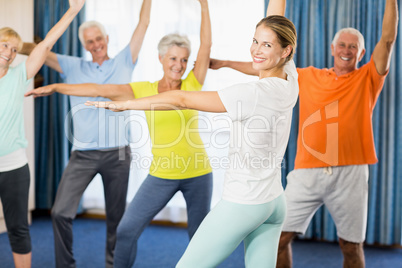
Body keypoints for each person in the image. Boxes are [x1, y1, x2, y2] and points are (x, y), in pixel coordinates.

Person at [82, 0, 297, 266]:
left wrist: (126, 105)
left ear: (286, 50)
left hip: (245, 202)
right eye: (255, 41)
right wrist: (228, 63)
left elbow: (182, 99)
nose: (256, 49)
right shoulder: (290, 76)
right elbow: (277, 13)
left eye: (266, 45)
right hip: (274, 201)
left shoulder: (252, 93)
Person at [207, 0, 399, 267]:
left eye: (352, 46)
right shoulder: (307, 76)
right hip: (307, 171)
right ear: (332, 48)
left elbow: (388, 40)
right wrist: (223, 63)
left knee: (351, 247)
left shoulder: (368, 78)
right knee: (278, 238)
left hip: (351, 173)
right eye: (342, 45)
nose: (346, 50)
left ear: (362, 52)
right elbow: (265, 66)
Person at [25, 0, 213, 267]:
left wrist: (204, 5)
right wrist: (57, 87)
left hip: (199, 173)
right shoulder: (143, 88)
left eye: (184, 59)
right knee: (125, 231)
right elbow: (95, 89)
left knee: (199, 237)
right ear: (160, 58)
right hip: (162, 174)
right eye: (173, 58)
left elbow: (206, 46)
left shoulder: (193, 83)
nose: (179, 64)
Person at [21, 0, 152, 267]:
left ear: (107, 38)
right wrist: (11, 44)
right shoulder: (72, 66)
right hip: (82, 154)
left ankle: (113, 264)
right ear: (84, 45)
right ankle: (65, 265)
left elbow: (143, 24)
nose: (96, 45)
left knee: (117, 219)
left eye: (99, 39)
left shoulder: (125, 60)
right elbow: (39, 50)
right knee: (59, 212)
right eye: (90, 41)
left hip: (117, 153)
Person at [0, 1, 85, 268]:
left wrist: (72, 11)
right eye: (4, 45)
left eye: (14, 49)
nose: (9, 52)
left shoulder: (19, 75)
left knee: (18, 227)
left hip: (13, 165)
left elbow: (46, 43)